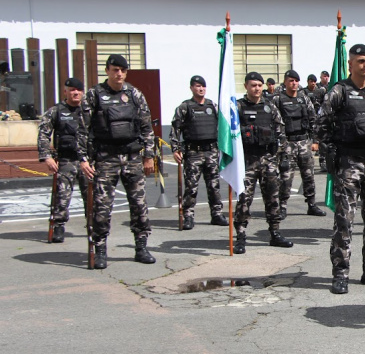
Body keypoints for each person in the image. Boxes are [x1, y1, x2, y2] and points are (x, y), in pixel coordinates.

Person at [317, 44, 365, 295]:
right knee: (345, 220)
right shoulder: (339, 91)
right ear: (350, 64)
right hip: (349, 163)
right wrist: (332, 151)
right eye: (360, 61)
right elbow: (321, 122)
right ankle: (340, 273)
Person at [77, 54, 156, 269]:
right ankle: (100, 249)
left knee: (139, 205)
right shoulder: (94, 95)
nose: (119, 74)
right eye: (115, 70)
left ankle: (141, 247)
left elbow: (146, 127)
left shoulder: (134, 94)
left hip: (132, 158)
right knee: (102, 207)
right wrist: (83, 159)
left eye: (122, 70)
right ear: (107, 71)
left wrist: (149, 156)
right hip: (106, 158)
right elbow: (82, 130)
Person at [232, 71, 293, 254]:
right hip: (247, 161)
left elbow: (280, 132)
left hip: (268, 159)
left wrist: (284, 156)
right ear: (246, 86)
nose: (257, 89)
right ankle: (240, 236)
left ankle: (275, 233)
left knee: (273, 198)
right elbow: (230, 134)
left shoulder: (270, 107)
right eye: (253, 85)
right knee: (244, 200)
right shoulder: (238, 107)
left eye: (259, 85)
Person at [169, 75, 228, 230]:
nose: (201, 89)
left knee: (214, 185)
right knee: (191, 187)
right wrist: (175, 149)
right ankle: (188, 216)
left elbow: (223, 125)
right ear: (191, 88)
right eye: (197, 86)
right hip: (193, 153)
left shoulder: (213, 106)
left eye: (203, 86)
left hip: (211, 152)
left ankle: (217, 214)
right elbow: (175, 129)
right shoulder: (184, 107)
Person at [38, 77, 90, 243]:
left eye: (79, 90)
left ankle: (93, 225)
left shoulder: (90, 111)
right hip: (66, 160)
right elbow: (43, 134)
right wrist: (46, 156)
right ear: (65, 92)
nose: (76, 93)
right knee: (62, 196)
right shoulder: (56, 111)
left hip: (88, 161)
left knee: (92, 196)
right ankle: (58, 226)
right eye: (72, 90)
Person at [274, 69, 326, 219]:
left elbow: (313, 119)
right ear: (285, 82)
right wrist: (281, 143)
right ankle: (282, 207)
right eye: (291, 81)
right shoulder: (278, 100)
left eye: (296, 81)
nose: (294, 83)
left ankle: (312, 204)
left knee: (309, 175)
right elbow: (275, 122)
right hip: (287, 143)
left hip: (304, 142)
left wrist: (315, 141)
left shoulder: (304, 99)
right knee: (286, 177)